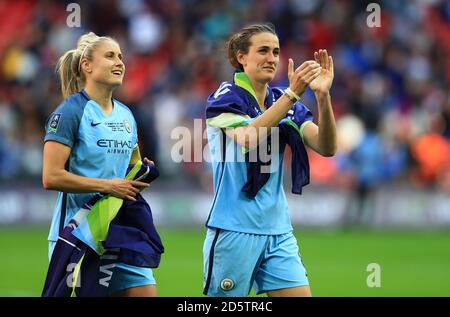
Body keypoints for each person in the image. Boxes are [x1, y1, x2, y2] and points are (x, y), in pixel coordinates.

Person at [203, 23, 336, 297]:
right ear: (241, 57)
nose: (272, 58)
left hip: (278, 230)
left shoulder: (281, 99)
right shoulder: (226, 97)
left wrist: (322, 97)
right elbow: (248, 138)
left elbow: (326, 146)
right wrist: (292, 94)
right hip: (234, 228)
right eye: (263, 50)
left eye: (275, 51)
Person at [42, 32, 158, 297]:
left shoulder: (126, 114)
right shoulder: (69, 112)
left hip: (119, 232)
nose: (119, 62)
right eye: (110, 56)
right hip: (78, 236)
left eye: (120, 56)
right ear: (87, 66)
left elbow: (132, 164)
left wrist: (142, 172)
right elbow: (51, 177)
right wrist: (109, 186)